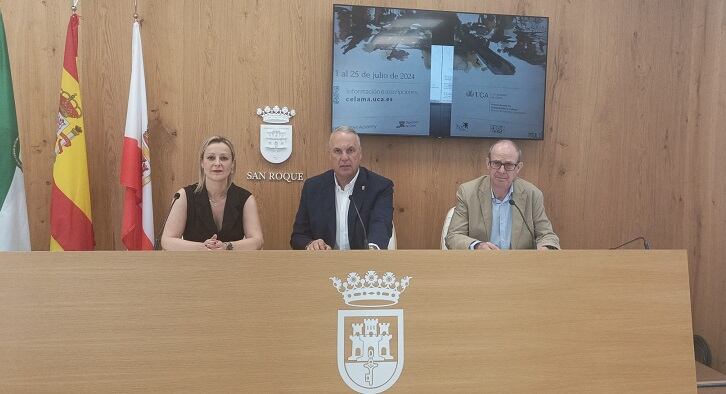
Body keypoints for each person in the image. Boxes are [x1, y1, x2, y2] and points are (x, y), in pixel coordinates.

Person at [291, 126, 393, 250]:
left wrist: (372, 250)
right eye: (338, 151)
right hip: (325, 263)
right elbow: (298, 236)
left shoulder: (380, 187)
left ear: (360, 154)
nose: (344, 157)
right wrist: (310, 244)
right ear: (329, 155)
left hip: (363, 264)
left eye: (350, 150)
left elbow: (381, 226)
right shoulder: (313, 187)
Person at [445, 139, 560, 250]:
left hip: (520, 265)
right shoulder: (468, 192)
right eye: (496, 163)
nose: (501, 170)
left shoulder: (533, 194)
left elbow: (547, 236)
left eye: (508, 165)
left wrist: (545, 248)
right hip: (481, 263)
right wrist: (477, 246)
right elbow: (453, 236)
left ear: (518, 167)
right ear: (488, 164)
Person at [161, 136, 263, 250]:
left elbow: (257, 240)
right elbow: (167, 241)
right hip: (193, 265)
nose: (217, 163)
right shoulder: (183, 196)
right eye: (211, 158)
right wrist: (202, 247)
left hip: (233, 265)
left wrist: (227, 247)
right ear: (202, 163)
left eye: (224, 158)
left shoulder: (245, 198)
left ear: (233, 164)